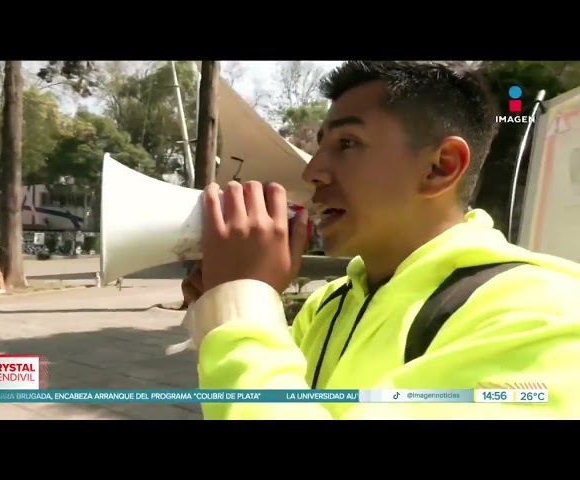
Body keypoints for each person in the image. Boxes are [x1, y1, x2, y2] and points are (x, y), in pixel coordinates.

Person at [181, 61, 580, 420]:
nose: (313, 172)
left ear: (440, 168)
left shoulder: (544, 315)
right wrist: (224, 318)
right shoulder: (327, 304)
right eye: (320, 145)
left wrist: (243, 312)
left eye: (347, 143)